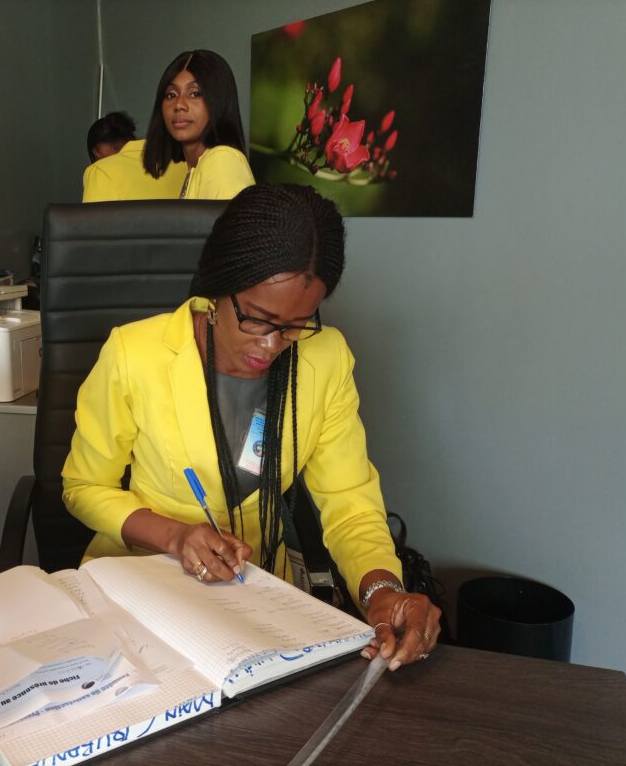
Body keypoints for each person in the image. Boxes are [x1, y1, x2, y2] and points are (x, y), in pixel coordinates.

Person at [63, 183, 441, 670]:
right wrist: (175, 536)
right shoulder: (135, 355)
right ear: (217, 287)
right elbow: (83, 487)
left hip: (255, 596)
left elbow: (350, 504)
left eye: (296, 324)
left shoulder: (325, 360)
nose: (272, 345)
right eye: (258, 319)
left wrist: (381, 590)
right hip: (141, 586)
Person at [82, 49, 254, 202]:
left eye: (195, 93)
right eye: (171, 95)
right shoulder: (194, 169)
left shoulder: (222, 159)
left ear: (219, 101)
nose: (179, 104)